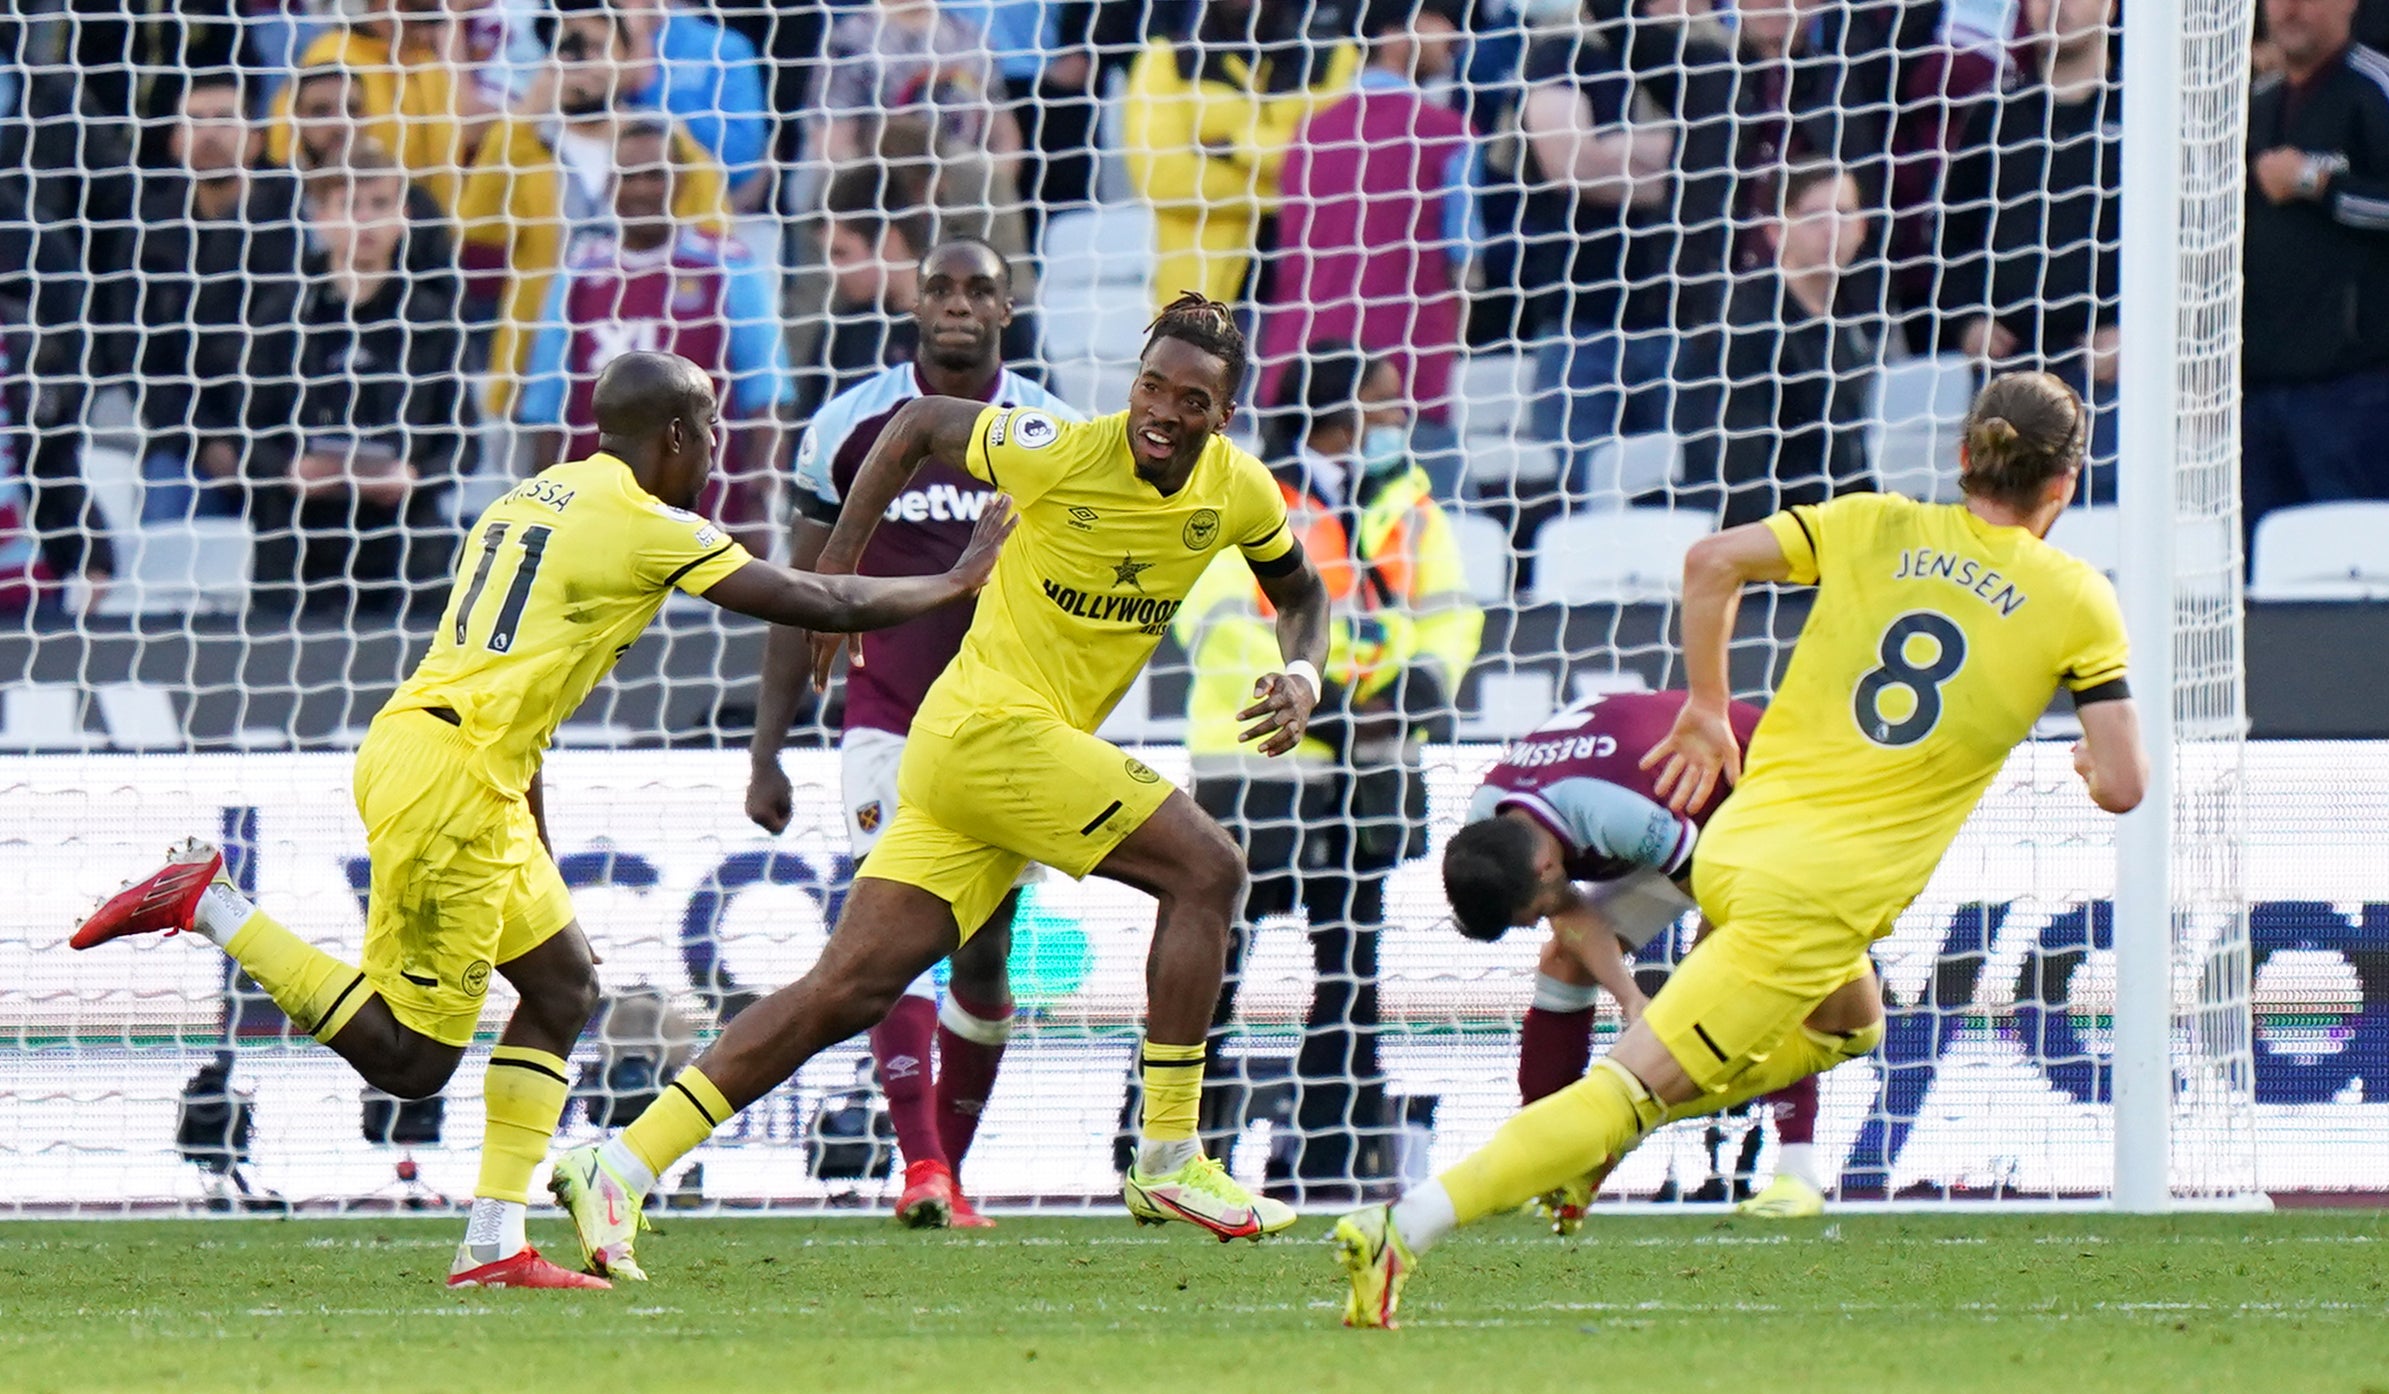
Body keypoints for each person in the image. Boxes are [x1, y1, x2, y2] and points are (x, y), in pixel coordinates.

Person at [71, 350, 1016, 1290]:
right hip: (450, 783)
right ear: (677, 435)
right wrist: (957, 581)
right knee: (412, 1060)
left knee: (563, 989)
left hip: (460, 759)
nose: (720, 450)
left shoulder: (530, 498)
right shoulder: (644, 524)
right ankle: (212, 904)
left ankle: (493, 1240)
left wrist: (537, 848)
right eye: (714, 431)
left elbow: (515, 682)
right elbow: (815, 595)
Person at [1334, 370, 2149, 1327]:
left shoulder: (1870, 520)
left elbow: (1711, 557)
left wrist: (1707, 708)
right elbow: (2124, 784)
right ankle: (1407, 1228)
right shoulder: (2077, 599)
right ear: (2064, 484)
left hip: (1739, 841)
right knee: (1629, 1092)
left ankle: (1604, 1131)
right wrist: (2092, 776)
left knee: (1853, 1025)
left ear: (1963, 456)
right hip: (1815, 892)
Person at [550, 293, 1334, 1280]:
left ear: (1223, 414)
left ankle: (619, 1161)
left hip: (978, 759)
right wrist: (837, 577)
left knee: (845, 988)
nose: (1161, 411)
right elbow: (916, 424)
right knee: (1209, 870)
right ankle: (1170, 1153)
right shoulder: (1057, 445)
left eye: (1190, 398)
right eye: (1150, 384)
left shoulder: (1242, 492)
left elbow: (1301, 595)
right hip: (986, 733)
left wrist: (1301, 676)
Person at [747, 237, 1081, 1229]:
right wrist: (767, 750)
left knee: (983, 953)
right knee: (889, 940)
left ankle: (945, 1177)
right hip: (884, 717)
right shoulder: (847, 426)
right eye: (940, 286)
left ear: (1007, 310)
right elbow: (799, 589)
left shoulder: (1058, 434)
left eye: (980, 289)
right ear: (915, 300)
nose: (958, 305)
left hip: (1006, 729)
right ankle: (923, 1161)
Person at [1172, 343, 1480, 1198]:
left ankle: (1330, 1157)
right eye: (1383, 405)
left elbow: (1451, 614)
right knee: (1215, 965)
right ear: (1339, 416)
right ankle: (1168, 1145)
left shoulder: (1411, 505)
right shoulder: (1242, 498)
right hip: (1259, 770)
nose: (1397, 419)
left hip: (1370, 771)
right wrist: (1326, 697)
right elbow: (1217, 626)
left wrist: (1423, 683)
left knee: (1349, 966)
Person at [1440, 689, 1828, 1223]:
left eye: (1527, 913)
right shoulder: (1490, 821)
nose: (1533, 922)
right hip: (1690, 824)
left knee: (1753, 968)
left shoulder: (1612, 810)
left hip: (1773, 791)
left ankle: (1797, 1171)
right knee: (1564, 960)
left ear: (1547, 869)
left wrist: (1695, 992)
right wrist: (1631, 999)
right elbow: (1570, 919)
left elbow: (1727, 905)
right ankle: (1542, 1165)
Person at [516, 118, 791, 543]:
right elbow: (545, 405)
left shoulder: (727, 265)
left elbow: (765, 393)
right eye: (629, 176)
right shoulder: (578, 274)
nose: (641, 189)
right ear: (610, 184)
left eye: (655, 176)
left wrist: (759, 499)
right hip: (598, 518)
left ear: (679, 182)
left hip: (709, 512)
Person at [458, 0, 729, 414]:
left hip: (651, 356)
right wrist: (526, 114)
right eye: (568, 48)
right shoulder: (524, 147)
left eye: (597, 47)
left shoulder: (667, 145)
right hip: (540, 370)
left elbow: (714, 237)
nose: (582, 61)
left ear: (624, 60)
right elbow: (476, 237)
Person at [242, 145, 472, 619]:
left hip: (402, 528)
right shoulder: (282, 313)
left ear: (404, 215)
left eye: (380, 205)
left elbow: (463, 441)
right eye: (350, 206)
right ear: (322, 217)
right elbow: (248, 431)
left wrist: (415, 475)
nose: (365, 221)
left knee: (435, 555)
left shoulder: (431, 318)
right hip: (301, 526)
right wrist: (291, 471)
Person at [1259, 0, 1470, 455]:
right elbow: (1464, 260)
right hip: (1406, 378)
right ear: (1394, 35)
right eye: (1436, 21)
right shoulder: (1448, 134)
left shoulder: (1306, 134)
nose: (1452, 35)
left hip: (1301, 375)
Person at [1936, 0, 2121, 501]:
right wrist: (1969, 320)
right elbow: (1953, 238)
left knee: (2099, 526)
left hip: (2110, 382)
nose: (2056, 7)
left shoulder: (2143, 114)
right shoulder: (1996, 116)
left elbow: (2187, 240)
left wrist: (2133, 328)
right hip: (2010, 375)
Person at [2242, 0, 2389, 541]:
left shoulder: (2374, 87)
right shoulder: (2252, 105)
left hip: (2356, 394)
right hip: (2257, 395)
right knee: (2256, 574)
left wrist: (2320, 185)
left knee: (2355, 568)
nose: (2289, 8)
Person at [131, 73, 303, 524]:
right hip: (187, 444)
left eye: (224, 119)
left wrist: (253, 447)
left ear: (256, 139)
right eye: (195, 120)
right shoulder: (147, 234)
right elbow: (142, 361)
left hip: (288, 443)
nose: (208, 133)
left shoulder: (295, 225)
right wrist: (208, 441)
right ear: (174, 141)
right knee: (166, 505)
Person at [1122, 0, 1360, 310]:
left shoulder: (1333, 55)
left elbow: (1336, 163)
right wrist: (1284, 186)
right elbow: (1162, 179)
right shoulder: (1167, 58)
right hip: (1202, 303)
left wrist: (1236, 147)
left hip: (1311, 289)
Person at [1679, 161, 1878, 528]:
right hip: (1773, 544)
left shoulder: (1852, 324)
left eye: (1844, 214)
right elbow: (1737, 474)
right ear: (1774, 230)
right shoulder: (1743, 329)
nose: (1832, 231)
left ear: (1863, 226)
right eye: (1814, 217)